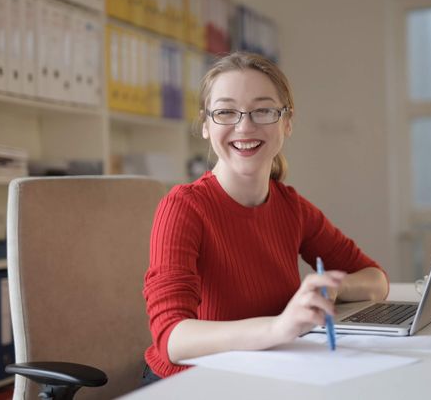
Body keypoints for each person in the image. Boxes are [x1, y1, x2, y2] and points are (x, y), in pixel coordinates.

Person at [142, 52, 389, 383]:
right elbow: (172, 339)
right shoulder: (184, 208)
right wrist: (279, 327)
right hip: (193, 383)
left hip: (264, 374)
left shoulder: (291, 207)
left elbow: (376, 280)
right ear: (205, 125)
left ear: (286, 122)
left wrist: (329, 288)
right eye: (226, 112)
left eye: (263, 111)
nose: (244, 126)